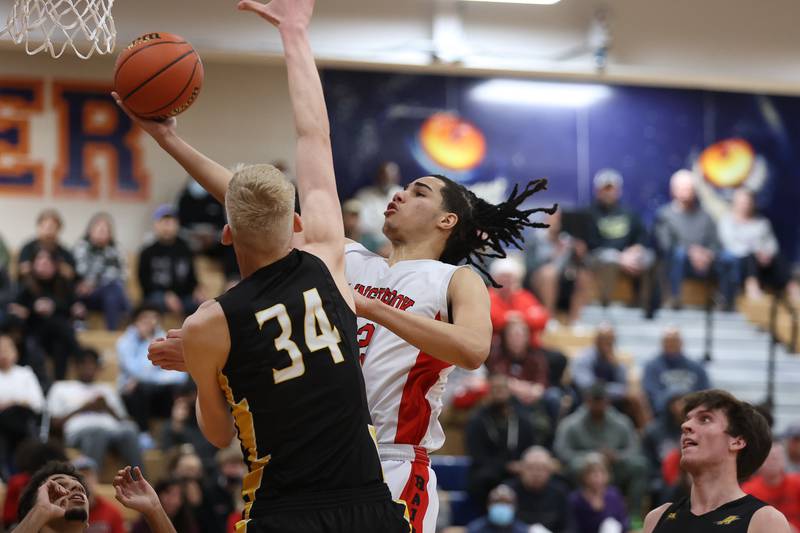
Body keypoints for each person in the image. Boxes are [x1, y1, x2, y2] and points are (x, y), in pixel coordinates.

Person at [139, 9, 553, 533]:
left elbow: (473, 349)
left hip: (397, 464)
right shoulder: (346, 257)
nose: (400, 193)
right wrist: (169, 140)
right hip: (322, 456)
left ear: (448, 220)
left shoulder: (453, 280)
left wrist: (365, 305)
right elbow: (252, 208)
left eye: (419, 191)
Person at [116, 0, 411, 531]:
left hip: (283, 513)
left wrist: (206, 369)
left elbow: (217, 436)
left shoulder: (212, 321)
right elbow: (313, 135)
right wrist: (295, 33)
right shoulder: (327, 255)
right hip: (370, 505)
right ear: (295, 223)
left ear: (226, 235)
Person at [642, 389, 788, 533]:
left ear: (737, 441)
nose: (685, 426)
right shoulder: (657, 517)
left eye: (705, 419)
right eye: (687, 419)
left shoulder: (765, 521)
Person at [553, 383, 648, 519]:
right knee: (576, 466)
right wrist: (591, 457)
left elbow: (634, 449)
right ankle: (581, 514)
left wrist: (617, 456)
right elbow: (561, 451)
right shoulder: (571, 423)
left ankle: (634, 516)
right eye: (594, 401)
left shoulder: (621, 422)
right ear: (587, 401)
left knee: (640, 465)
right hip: (584, 469)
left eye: (601, 401)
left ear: (607, 401)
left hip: (614, 468)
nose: (598, 406)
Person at [46, 348, 143, 472]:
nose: (89, 367)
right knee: (98, 432)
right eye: (84, 363)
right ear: (76, 366)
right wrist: (83, 408)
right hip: (79, 432)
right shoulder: (61, 387)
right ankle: (88, 484)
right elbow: (54, 423)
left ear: (98, 367)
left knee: (130, 430)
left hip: (113, 431)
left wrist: (107, 407)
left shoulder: (107, 389)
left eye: (93, 364)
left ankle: (140, 482)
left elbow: (124, 420)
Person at [466, 374, 542, 511]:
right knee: (482, 479)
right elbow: (477, 456)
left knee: (540, 477)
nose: (499, 393)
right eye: (495, 389)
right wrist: (505, 466)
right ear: (489, 392)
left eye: (502, 388)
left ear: (509, 392)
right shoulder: (477, 420)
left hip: (519, 470)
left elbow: (531, 447)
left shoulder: (523, 420)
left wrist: (524, 465)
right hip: (490, 470)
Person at [9, 248, 83, 381]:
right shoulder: (24, 283)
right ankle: (79, 353)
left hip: (56, 335)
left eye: (48, 260)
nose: (43, 263)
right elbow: (15, 307)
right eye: (40, 260)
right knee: (55, 326)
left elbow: (72, 305)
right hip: (34, 330)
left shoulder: (63, 283)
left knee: (60, 345)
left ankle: (58, 385)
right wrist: (33, 308)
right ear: (33, 263)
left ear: (55, 265)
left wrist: (53, 306)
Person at [653, 170, 722, 309]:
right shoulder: (664, 215)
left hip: (705, 261)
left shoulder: (706, 216)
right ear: (673, 190)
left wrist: (707, 254)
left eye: (689, 188)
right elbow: (665, 245)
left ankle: (725, 301)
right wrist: (691, 253)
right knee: (678, 255)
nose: (686, 192)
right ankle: (675, 299)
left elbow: (716, 243)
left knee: (729, 258)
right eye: (682, 188)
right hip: (677, 262)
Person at [116, 305, 188, 433]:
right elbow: (136, 370)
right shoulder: (124, 341)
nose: (150, 322)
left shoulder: (164, 338)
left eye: (154, 318)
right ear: (136, 321)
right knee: (141, 388)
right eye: (145, 318)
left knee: (177, 389)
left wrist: (144, 379)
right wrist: (148, 342)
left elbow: (179, 375)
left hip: (154, 391)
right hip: (132, 395)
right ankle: (143, 433)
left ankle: (170, 432)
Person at [572, 324, 650, 428]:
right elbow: (588, 387)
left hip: (612, 399)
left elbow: (624, 384)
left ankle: (644, 435)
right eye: (604, 339)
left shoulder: (613, 359)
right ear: (596, 340)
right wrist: (619, 392)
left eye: (611, 340)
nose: (608, 343)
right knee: (631, 397)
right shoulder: (584, 358)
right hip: (590, 399)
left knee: (638, 398)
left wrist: (615, 365)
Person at [718, 188, 787, 301]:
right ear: (734, 204)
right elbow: (730, 245)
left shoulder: (762, 223)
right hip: (740, 260)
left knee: (779, 258)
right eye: (741, 203)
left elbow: (772, 244)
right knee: (750, 258)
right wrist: (755, 252)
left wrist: (766, 255)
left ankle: (791, 288)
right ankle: (752, 287)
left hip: (763, 260)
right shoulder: (726, 221)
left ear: (753, 203)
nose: (744, 206)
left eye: (747, 202)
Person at [137, 205, 202, 317]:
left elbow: (192, 277)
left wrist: (198, 289)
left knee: (203, 306)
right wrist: (166, 296)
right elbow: (144, 283)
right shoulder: (147, 252)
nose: (167, 226)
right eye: (163, 222)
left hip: (183, 297)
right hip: (157, 296)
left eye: (171, 222)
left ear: (177, 225)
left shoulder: (185, 249)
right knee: (154, 303)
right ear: (156, 225)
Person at [73, 212, 130, 330]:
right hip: (85, 293)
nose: (101, 231)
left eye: (105, 229)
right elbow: (79, 270)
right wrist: (88, 283)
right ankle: (80, 326)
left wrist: (94, 282)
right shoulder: (80, 247)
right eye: (98, 228)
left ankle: (111, 332)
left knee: (114, 290)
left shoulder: (117, 249)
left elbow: (122, 275)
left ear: (110, 233)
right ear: (90, 231)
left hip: (107, 292)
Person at [0, 331, 44, 479]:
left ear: (15, 352)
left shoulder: (25, 373)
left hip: (23, 419)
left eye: (7, 349)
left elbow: (37, 403)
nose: (3, 353)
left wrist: (12, 402)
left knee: (16, 416)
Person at [642, 327, 710, 417]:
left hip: (692, 412)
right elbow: (652, 393)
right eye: (668, 341)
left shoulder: (696, 367)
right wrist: (672, 403)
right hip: (663, 415)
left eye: (674, 341)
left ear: (681, 343)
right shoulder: (652, 366)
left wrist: (687, 404)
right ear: (662, 344)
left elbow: (705, 392)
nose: (671, 345)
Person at [488, 257, 549, 349]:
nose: (506, 282)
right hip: (495, 347)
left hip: (527, 349)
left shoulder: (524, 296)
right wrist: (506, 318)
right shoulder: (487, 296)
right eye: (503, 278)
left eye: (509, 278)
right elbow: (488, 319)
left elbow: (541, 318)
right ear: (494, 279)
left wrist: (520, 317)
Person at [508, 446, 572, 533]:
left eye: (542, 468)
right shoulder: (509, 491)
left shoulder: (560, 492)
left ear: (550, 471)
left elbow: (569, 526)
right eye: (531, 468)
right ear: (521, 469)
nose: (536, 473)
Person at [742, 442, 800, 531]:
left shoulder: (797, 484)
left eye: (777, 457)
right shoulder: (748, 491)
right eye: (768, 458)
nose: (773, 461)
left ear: (785, 460)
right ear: (759, 462)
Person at [568, 453, 630, 533]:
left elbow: (624, 522)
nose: (598, 477)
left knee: (610, 524)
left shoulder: (614, 494)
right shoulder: (575, 499)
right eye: (593, 473)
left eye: (602, 472)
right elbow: (573, 526)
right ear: (584, 476)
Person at [354, 161, 403, 254]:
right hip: (367, 241)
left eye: (390, 178)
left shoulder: (402, 195)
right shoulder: (364, 195)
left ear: (396, 178)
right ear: (378, 176)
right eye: (383, 177)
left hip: (393, 242)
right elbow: (360, 224)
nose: (386, 181)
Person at [16, 209, 76, 283]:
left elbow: (71, 274)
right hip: (32, 290)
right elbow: (21, 270)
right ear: (39, 227)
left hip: (57, 290)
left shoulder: (64, 252)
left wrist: (56, 266)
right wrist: (36, 267)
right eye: (45, 227)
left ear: (58, 229)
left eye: (52, 227)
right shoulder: (28, 248)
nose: (48, 231)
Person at [70, 456, 124, 533]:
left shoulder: (112, 512)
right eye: (79, 476)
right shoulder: (65, 513)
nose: (85, 480)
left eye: (88, 474)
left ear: (97, 479)